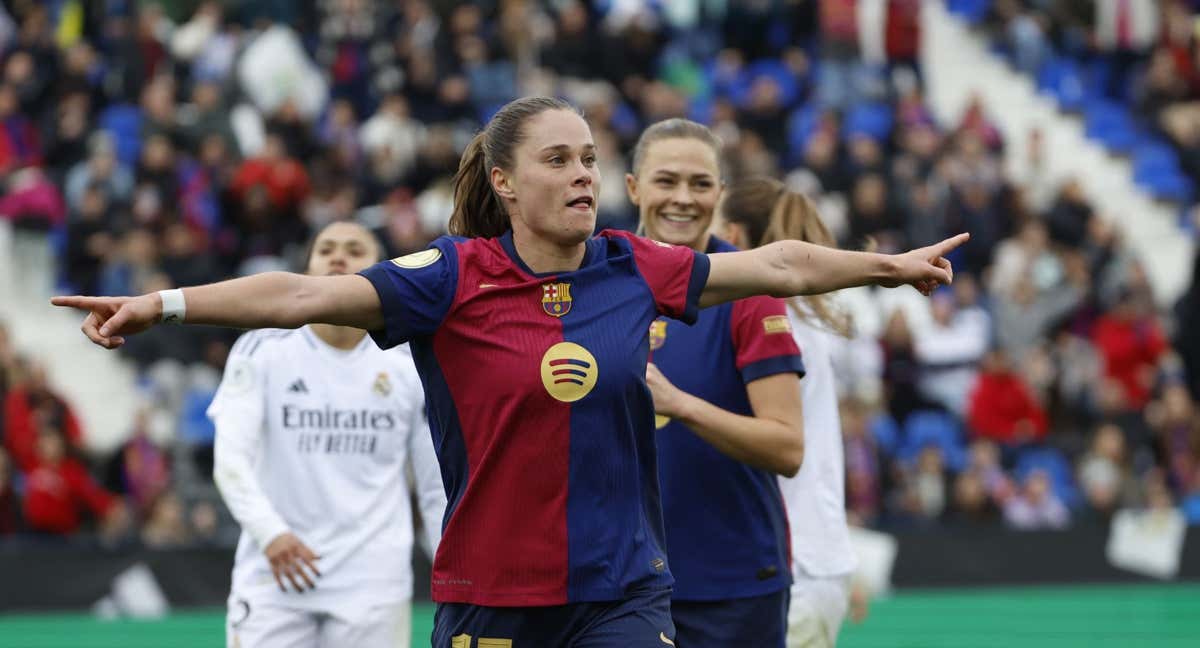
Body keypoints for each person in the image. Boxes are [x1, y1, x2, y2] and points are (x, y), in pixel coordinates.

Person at [54, 96, 966, 646]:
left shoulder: (630, 265)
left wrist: (891, 268)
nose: (583, 176)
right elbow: (296, 295)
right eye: (558, 160)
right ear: (502, 180)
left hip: (623, 591)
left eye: (590, 161)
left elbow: (778, 267)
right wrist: (160, 304)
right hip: (491, 595)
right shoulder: (449, 278)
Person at [208, 221, 446, 648]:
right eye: (327, 249)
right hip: (273, 576)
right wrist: (270, 533)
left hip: (373, 583)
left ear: (381, 273)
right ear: (307, 268)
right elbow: (230, 459)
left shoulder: (410, 364)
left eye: (355, 250)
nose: (339, 257)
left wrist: (452, 572)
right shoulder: (262, 347)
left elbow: (434, 486)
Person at [626, 119, 804, 647]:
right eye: (666, 181)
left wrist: (681, 405)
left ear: (721, 195)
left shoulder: (750, 289)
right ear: (634, 187)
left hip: (732, 588)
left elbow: (788, 446)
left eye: (700, 184)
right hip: (618, 586)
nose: (683, 198)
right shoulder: (597, 280)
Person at [716, 177, 860, 648]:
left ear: (733, 235)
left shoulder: (761, 317)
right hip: (810, 561)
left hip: (790, 567)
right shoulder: (797, 314)